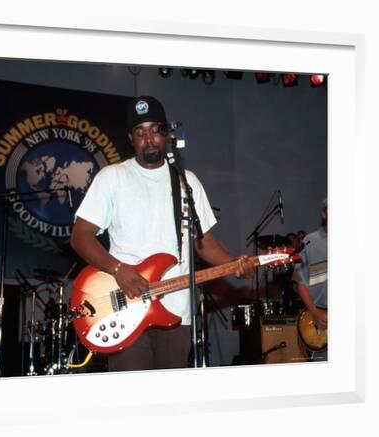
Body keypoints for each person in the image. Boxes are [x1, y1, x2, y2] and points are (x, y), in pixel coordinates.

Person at [70, 96, 254, 372]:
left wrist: (233, 262)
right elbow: (80, 236)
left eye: (155, 130)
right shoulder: (112, 177)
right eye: (140, 132)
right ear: (131, 138)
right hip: (125, 307)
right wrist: (119, 269)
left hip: (176, 311)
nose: (149, 139)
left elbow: (203, 243)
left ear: (166, 133)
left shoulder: (187, 182)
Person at [292, 198, 328, 361]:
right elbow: (301, 283)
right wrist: (315, 313)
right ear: (324, 214)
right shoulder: (309, 242)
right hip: (321, 321)